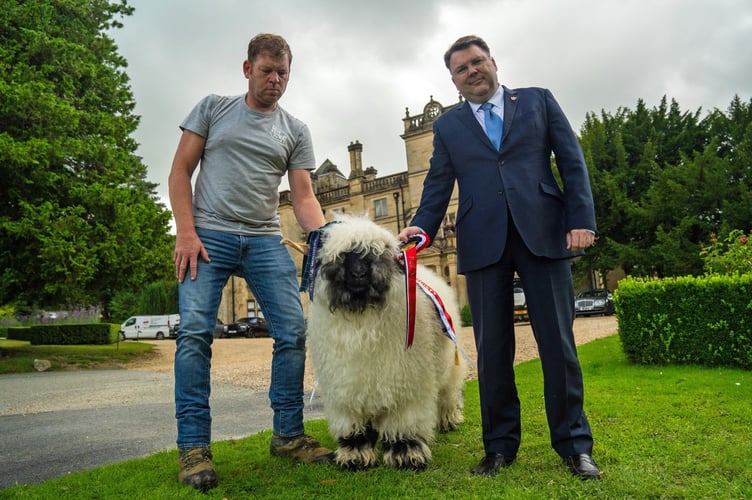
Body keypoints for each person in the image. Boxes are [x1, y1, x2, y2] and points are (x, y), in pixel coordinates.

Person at [398, 35, 602, 480]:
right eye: (461, 69)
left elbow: (571, 161)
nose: (472, 72)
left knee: (559, 346)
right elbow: (437, 184)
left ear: (492, 62)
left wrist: (580, 219)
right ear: (453, 79)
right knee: (492, 352)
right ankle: (499, 448)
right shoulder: (449, 127)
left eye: (477, 62)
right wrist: (421, 228)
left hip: (544, 233)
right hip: (482, 240)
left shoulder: (537, 101)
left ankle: (574, 446)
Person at [168, 33, 333, 492]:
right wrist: (185, 230)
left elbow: (302, 196)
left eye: (283, 73)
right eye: (267, 71)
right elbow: (180, 171)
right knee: (197, 334)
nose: (275, 80)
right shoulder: (213, 108)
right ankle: (194, 448)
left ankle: (288, 435)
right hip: (209, 236)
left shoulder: (295, 130)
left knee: (293, 330)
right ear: (247, 69)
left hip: (264, 239)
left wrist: (325, 239)